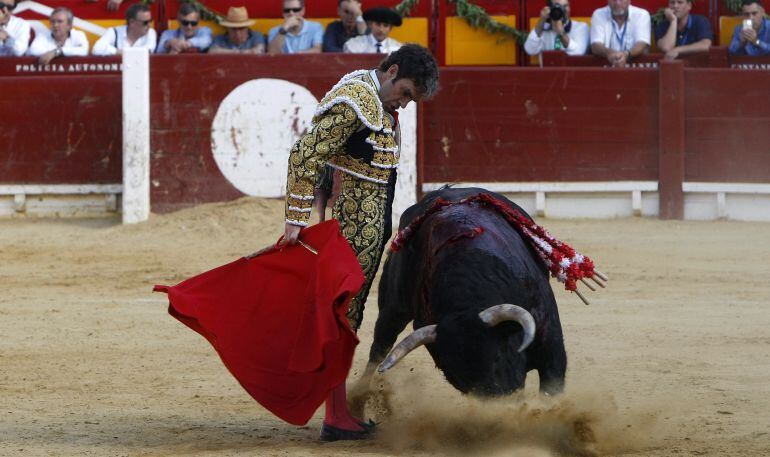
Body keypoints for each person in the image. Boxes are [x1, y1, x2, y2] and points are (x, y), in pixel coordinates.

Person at [280, 44, 439, 441]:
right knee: (342, 318)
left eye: (411, 100)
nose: (404, 104)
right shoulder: (356, 102)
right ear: (392, 70)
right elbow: (305, 154)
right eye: (404, 92)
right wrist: (295, 220)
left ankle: (339, 414)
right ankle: (336, 417)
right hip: (349, 234)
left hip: (365, 233)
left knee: (347, 317)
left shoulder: (376, 101)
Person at [590, 0, 650, 67]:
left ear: (629, 1)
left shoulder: (641, 15)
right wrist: (609, 53)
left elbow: (642, 44)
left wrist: (626, 54)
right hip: (606, 66)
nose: (617, 3)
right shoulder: (598, 14)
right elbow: (595, 45)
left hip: (635, 66)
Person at [524, 0, 589, 57]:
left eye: (565, 6)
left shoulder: (580, 27)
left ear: (569, 7)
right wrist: (542, 21)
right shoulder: (543, 28)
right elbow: (530, 50)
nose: (562, 10)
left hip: (571, 71)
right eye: (557, 6)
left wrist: (561, 32)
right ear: (549, 9)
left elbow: (578, 53)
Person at [92, 3, 157, 55]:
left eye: (150, 21)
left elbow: (148, 50)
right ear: (132, 22)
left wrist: (119, 52)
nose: (149, 25)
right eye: (145, 22)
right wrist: (119, 52)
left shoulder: (150, 32)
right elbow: (97, 49)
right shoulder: (114, 32)